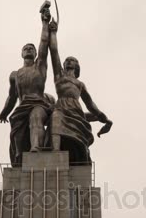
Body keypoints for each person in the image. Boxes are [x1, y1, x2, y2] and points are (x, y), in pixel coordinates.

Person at [0, 3, 53, 165]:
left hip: (38, 103)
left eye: (31, 49)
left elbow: (44, 42)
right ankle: (20, 158)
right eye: (25, 48)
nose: (28, 50)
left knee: (36, 118)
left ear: (35, 53)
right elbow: (11, 97)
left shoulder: (40, 65)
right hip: (21, 108)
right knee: (17, 135)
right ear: (21, 53)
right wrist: (4, 113)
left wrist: (44, 23)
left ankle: (36, 148)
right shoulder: (14, 75)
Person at [47, 20, 112, 163]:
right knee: (56, 118)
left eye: (73, 60)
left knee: (80, 134)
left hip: (76, 110)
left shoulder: (80, 84)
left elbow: (91, 105)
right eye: (67, 60)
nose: (69, 61)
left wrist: (105, 119)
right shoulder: (59, 76)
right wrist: (53, 33)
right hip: (61, 107)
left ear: (77, 67)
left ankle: (81, 151)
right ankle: (55, 152)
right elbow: (54, 51)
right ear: (63, 65)